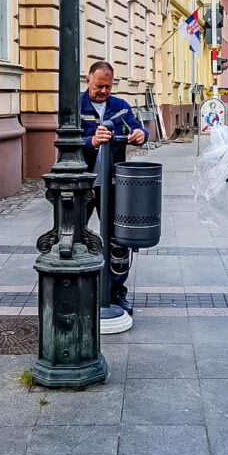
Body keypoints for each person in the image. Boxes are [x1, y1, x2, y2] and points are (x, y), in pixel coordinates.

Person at [80, 61, 148, 314]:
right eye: (99, 86)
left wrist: (140, 134)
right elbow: (64, 138)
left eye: (108, 87)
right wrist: (91, 141)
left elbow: (137, 127)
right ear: (87, 80)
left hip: (113, 184)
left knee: (118, 239)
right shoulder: (75, 105)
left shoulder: (119, 107)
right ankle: (80, 290)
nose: (104, 91)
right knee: (75, 235)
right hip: (82, 183)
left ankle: (115, 292)